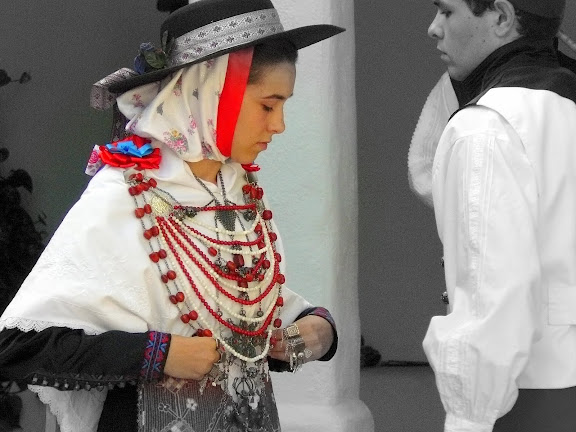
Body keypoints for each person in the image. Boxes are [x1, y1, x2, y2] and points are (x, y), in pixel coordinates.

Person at [0, 1, 344, 431]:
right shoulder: (125, 195)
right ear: (213, 94)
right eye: (267, 105)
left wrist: (317, 331)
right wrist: (159, 354)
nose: (279, 125)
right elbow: (20, 345)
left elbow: (243, 309)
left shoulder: (237, 192)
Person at [412, 0, 576, 431]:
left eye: (447, 11)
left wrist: (468, 419)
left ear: (502, 18)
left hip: (533, 407)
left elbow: (495, 298)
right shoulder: (565, 106)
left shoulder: (487, 129)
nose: (433, 28)